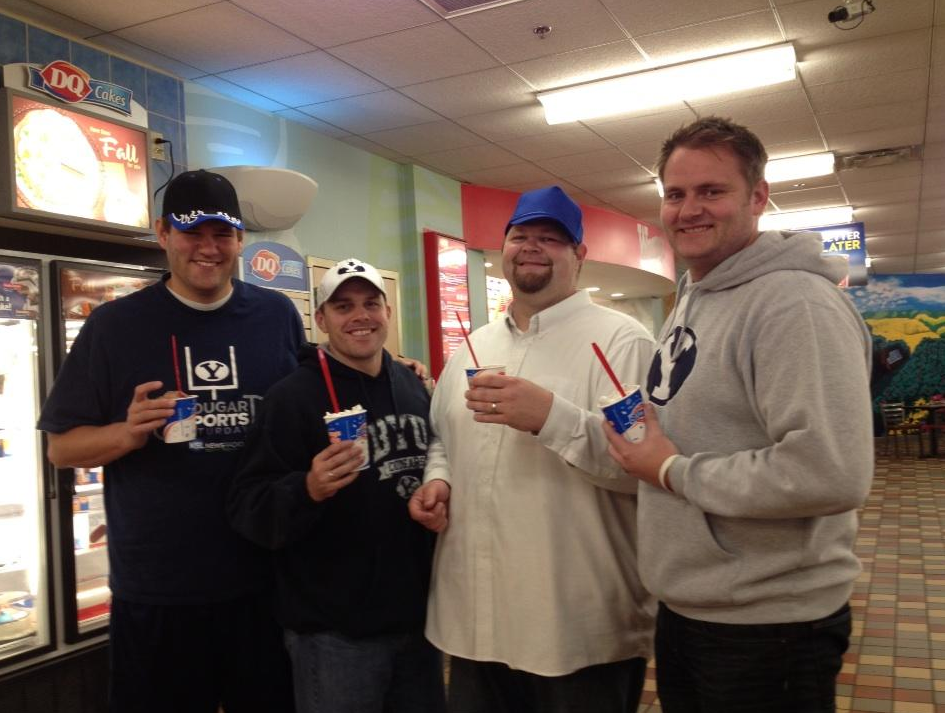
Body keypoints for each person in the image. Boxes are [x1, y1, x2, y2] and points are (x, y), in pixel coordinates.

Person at [603, 116, 873, 712]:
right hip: (694, 607)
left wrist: (672, 470)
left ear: (757, 197)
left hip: (768, 626)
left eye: (711, 191)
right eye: (675, 194)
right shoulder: (696, 295)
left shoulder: (794, 304)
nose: (689, 209)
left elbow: (831, 470)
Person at [38, 169, 301, 713]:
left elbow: (307, 402)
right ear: (163, 234)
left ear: (240, 241)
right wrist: (127, 433)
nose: (208, 248)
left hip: (262, 578)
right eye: (191, 232)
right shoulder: (113, 326)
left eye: (222, 233)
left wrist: (387, 369)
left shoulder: (275, 315)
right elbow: (61, 448)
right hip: (159, 588)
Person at [410, 186, 656, 713]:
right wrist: (439, 478)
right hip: (477, 620)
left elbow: (644, 470)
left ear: (580, 255)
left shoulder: (621, 342)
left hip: (574, 627)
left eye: (550, 238)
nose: (531, 247)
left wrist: (552, 418)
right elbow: (442, 439)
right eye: (521, 235)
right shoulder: (472, 349)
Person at [227, 258, 446, 713]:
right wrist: (308, 487)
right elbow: (248, 507)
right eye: (343, 306)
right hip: (334, 635)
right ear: (321, 319)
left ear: (387, 312)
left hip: (418, 619)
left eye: (371, 303)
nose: (360, 316)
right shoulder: (290, 398)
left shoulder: (411, 384)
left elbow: (433, 465)